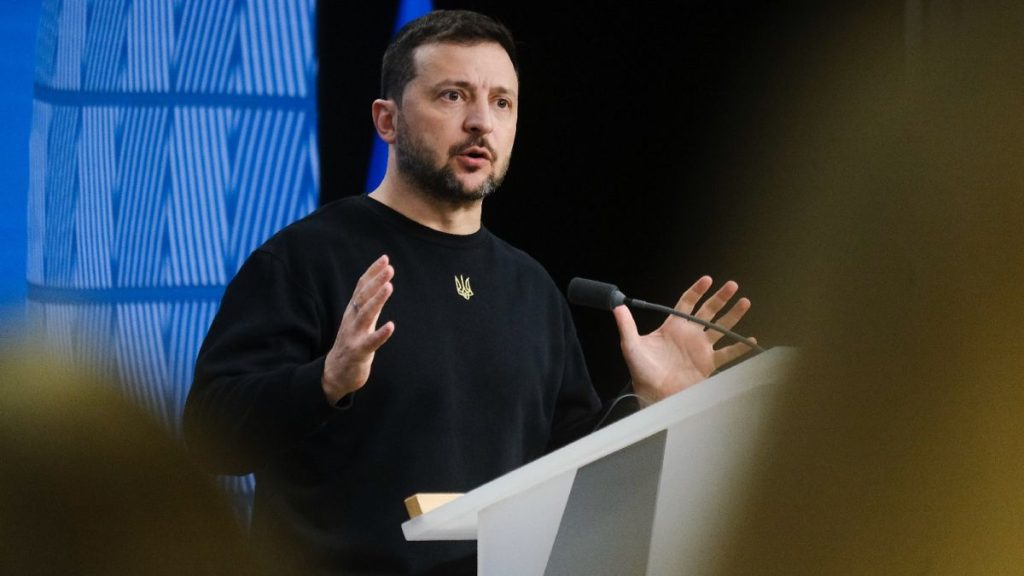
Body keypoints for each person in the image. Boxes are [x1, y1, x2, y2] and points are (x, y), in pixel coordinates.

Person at [183, 9, 755, 576]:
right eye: (453, 96)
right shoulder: (304, 260)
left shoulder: (529, 287)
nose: (481, 121)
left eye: (501, 102)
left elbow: (570, 468)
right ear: (387, 120)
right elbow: (209, 438)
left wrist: (647, 406)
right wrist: (326, 382)